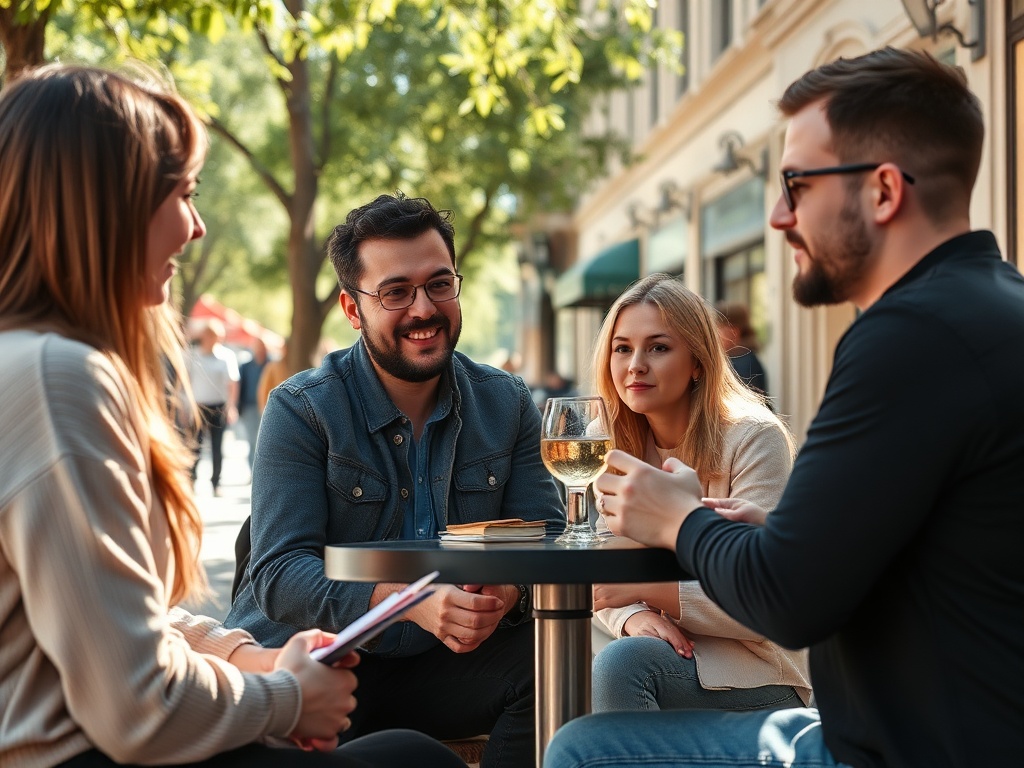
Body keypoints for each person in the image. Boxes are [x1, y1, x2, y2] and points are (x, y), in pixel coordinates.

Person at [545, 47, 1024, 768]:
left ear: (884, 191)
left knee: (584, 750)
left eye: (796, 185)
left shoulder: (908, 339)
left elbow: (788, 600)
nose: (777, 216)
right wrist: (782, 531)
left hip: (901, 747)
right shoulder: (990, 309)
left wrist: (682, 519)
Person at [0, 64, 465, 768]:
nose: (197, 226)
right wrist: (285, 697)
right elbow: (138, 704)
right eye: (182, 194)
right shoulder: (54, 377)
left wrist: (254, 658)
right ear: (109, 205)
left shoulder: (37, 361)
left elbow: (129, 617)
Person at [226, 192, 564, 767]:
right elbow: (280, 575)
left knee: (553, 665)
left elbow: (545, 535)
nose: (423, 309)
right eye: (395, 292)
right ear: (353, 309)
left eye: (438, 284)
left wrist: (504, 595)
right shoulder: (302, 408)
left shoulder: (505, 401)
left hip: (440, 665)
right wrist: (408, 602)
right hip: (314, 661)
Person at [588, 274, 809, 714]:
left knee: (618, 667)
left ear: (698, 362)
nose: (635, 365)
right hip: (660, 654)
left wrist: (644, 591)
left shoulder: (753, 438)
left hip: (758, 671)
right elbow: (601, 582)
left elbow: (763, 600)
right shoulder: (605, 441)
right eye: (623, 348)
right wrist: (631, 616)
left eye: (658, 347)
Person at [186, 318, 239, 495]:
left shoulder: (227, 356)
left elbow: (232, 384)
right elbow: (186, 381)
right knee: (196, 445)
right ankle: (192, 479)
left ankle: (216, 483)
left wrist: (231, 407)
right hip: (199, 406)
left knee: (217, 446)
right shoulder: (192, 355)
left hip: (219, 407)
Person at [713, 301, 769, 401]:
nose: (714, 336)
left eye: (718, 329)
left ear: (734, 332)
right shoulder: (742, 358)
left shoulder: (743, 364)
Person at [237, 336, 268, 471]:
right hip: (249, 407)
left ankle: (263, 471)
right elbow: (240, 387)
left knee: (264, 441)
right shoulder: (245, 366)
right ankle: (253, 471)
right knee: (251, 440)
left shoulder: (270, 365)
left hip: (267, 407)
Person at [256, 338, 290, 413]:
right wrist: (263, 411)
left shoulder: (296, 367)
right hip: (274, 411)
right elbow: (263, 390)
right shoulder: (273, 367)